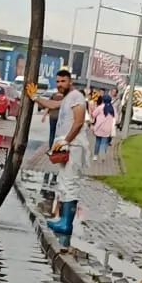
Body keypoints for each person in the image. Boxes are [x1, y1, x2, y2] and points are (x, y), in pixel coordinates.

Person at [42, 68, 90, 243]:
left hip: (74, 146)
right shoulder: (66, 99)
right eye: (58, 82)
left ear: (70, 81)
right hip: (67, 146)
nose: (60, 85)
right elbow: (53, 105)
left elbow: (78, 122)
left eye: (63, 81)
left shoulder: (76, 96)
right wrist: (35, 98)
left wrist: (66, 141)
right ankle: (63, 220)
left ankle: (66, 224)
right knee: (64, 183)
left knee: (70, 183)